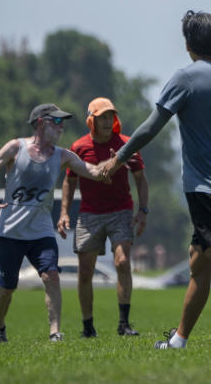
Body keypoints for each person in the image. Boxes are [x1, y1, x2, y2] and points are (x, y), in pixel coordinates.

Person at [98, 10, 211, 349]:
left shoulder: (186, 79)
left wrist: (118, 157)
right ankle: (179, 339)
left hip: (203, 188)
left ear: (188, 45)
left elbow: (151, 126)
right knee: (199, 261)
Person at [0, 104, 109, 343]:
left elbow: (95, 172)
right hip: (11, 232)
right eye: (56, 122)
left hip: (41, 231)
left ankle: (55, 332)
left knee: (51, 276)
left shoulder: (63, 155)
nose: (62, 126)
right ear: (40, 122)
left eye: (62, 122)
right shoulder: (16, 147)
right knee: (7, 288)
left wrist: (118, 159)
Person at [58, 97, 150, 338]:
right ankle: (88, 327)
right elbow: (69, 181)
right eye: (103, 118)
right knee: (85, 270)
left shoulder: (127, 145)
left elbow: (141, 179)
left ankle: (124, 324)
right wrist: (64, 212)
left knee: (122, 261)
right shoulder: (79, 147)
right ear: (92, 121)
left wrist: (143, 211)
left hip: (121, 210)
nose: (108, 121)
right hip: (89, 214)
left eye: (111, 116)